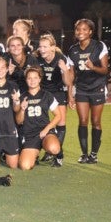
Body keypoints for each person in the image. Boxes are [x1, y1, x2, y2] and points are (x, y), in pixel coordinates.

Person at [68, 19, 109, 164]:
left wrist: (93, 67)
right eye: (78, 29)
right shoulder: (72, 49)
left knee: (96, 121)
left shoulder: (99, 46)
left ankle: (94, 154)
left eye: (84, 29)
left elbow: (105, 70)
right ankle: (84, 154)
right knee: (83, 121)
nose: (81, 32)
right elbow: (71, 75)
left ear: (91, 32)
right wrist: (70, 95)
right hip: (81, 89)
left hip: (97, 88)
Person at [36, 33, 74, 167]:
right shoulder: (37, 57)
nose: (42, 49)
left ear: (53, 47)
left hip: (58, 92)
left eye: (45, 47)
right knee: (40, 120)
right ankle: (48, 150)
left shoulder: (61, 58)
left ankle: (58, 155)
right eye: (40, 46)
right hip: (43, 92)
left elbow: (68, 82)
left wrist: (65, 70)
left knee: (61, 122)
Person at [15, 66, 61, 170]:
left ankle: (54, 152)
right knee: (24, 166)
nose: (32, 81)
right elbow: (18, 121)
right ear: (26, 80)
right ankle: (35, 154)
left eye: (35, 78)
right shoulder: (22, 97)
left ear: (40, 79)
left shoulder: (47, 95)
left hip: (45, 132)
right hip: (30, 135)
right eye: (29, 78)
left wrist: (46, 129)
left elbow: (58, 116)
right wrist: (22, 109)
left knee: (54, 148)